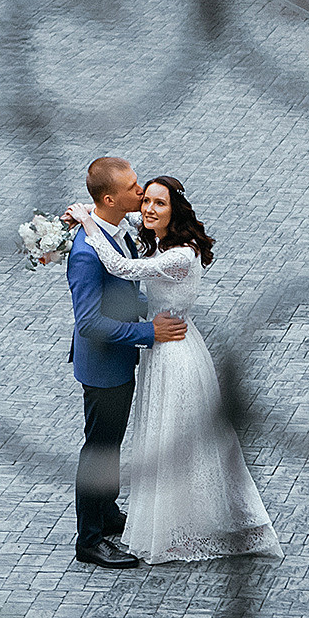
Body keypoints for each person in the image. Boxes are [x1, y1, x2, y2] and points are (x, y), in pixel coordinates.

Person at [69, 176, 282, 566]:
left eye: (157, 202)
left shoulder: (179, 254)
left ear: (175, 209)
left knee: (169, 438)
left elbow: (119, 265)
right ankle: (92, 536)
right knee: (114, 445)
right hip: (150, 349)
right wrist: (79, 224)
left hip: (172, 353)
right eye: (143, 197)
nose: (146, 207)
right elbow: (93, 303)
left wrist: (87, 221)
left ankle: (159, 519)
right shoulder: (153, 238)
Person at [66, 157, 185, 569]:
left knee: (111, 445)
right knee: (98, 450)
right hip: (102, 366)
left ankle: (108, 512)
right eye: (134, 188)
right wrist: (148, 333)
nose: (141, 193)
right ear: (111, 198)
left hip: (119, 361)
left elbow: (125, 290)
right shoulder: (85, 253)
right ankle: (89, 540)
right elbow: (90, 323)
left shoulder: (116, 233)